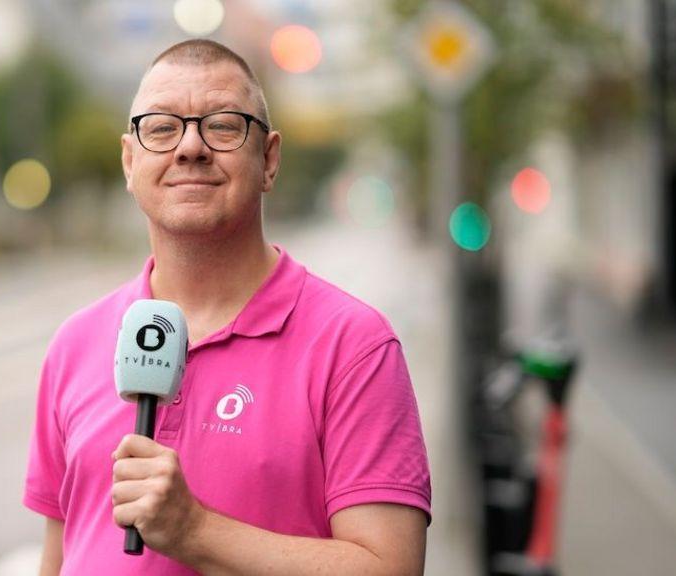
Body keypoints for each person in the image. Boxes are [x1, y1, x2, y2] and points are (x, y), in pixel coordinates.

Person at [24, 39, 431, 575]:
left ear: (268, 158)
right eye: (163, 127)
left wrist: (194, 530)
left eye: (221, 125)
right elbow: (61, 556)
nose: (189, 147)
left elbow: (390, 568)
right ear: (130, 161)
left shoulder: (353, 345)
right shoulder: (76, 343)